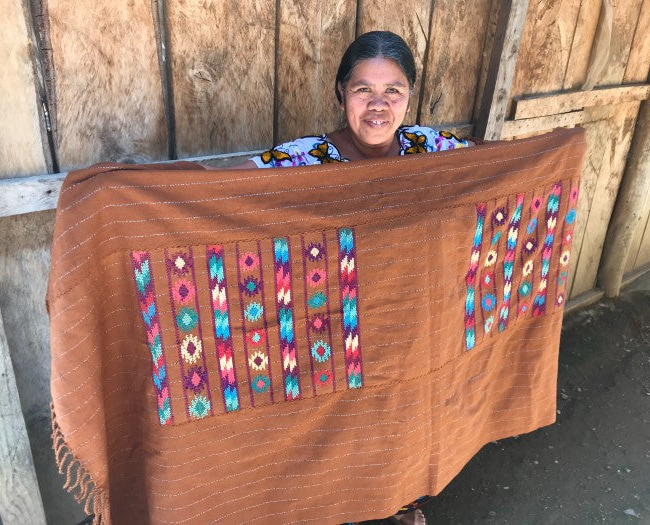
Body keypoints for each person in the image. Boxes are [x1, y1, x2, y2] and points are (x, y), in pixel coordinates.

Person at [202, 30, 480, 525]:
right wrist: (133, 197)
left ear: (409, 96)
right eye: (362, 90)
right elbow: (225, 193)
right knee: (335, 436)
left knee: (404, 423)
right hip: (332, 334)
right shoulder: (306, 160)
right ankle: (341, 511)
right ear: (340, 94)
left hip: (407, 331)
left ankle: (401, 505)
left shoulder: (432, 149)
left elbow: (496, 169)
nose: (378, 105)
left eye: (392, 91)